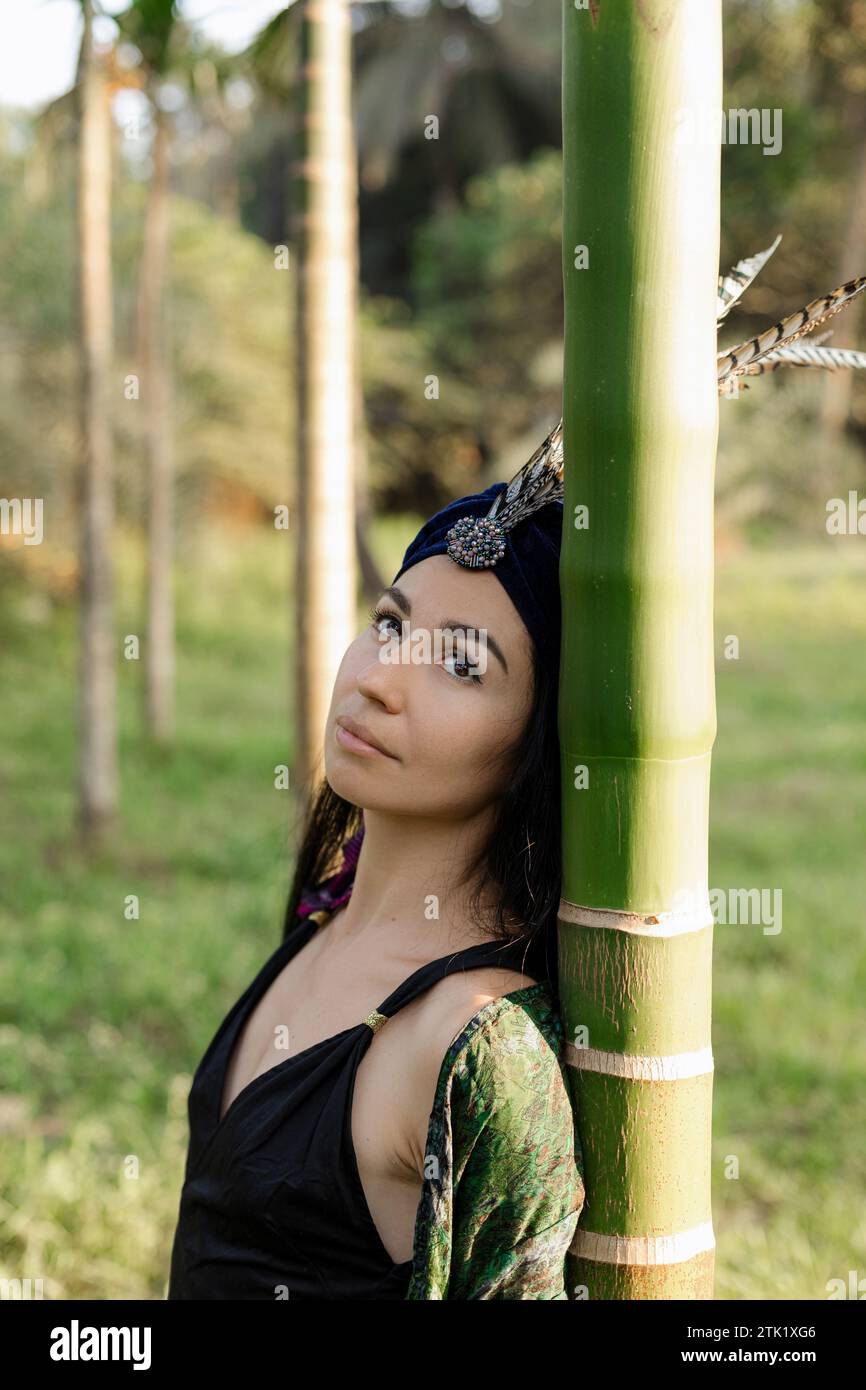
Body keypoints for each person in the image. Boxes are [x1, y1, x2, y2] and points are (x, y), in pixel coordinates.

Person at [167, 421, 586, 1300]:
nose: (380, 678)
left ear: (536, 745)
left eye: (462, 667)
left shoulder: (470, 1046)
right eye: (390, 624)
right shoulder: (333, 913)